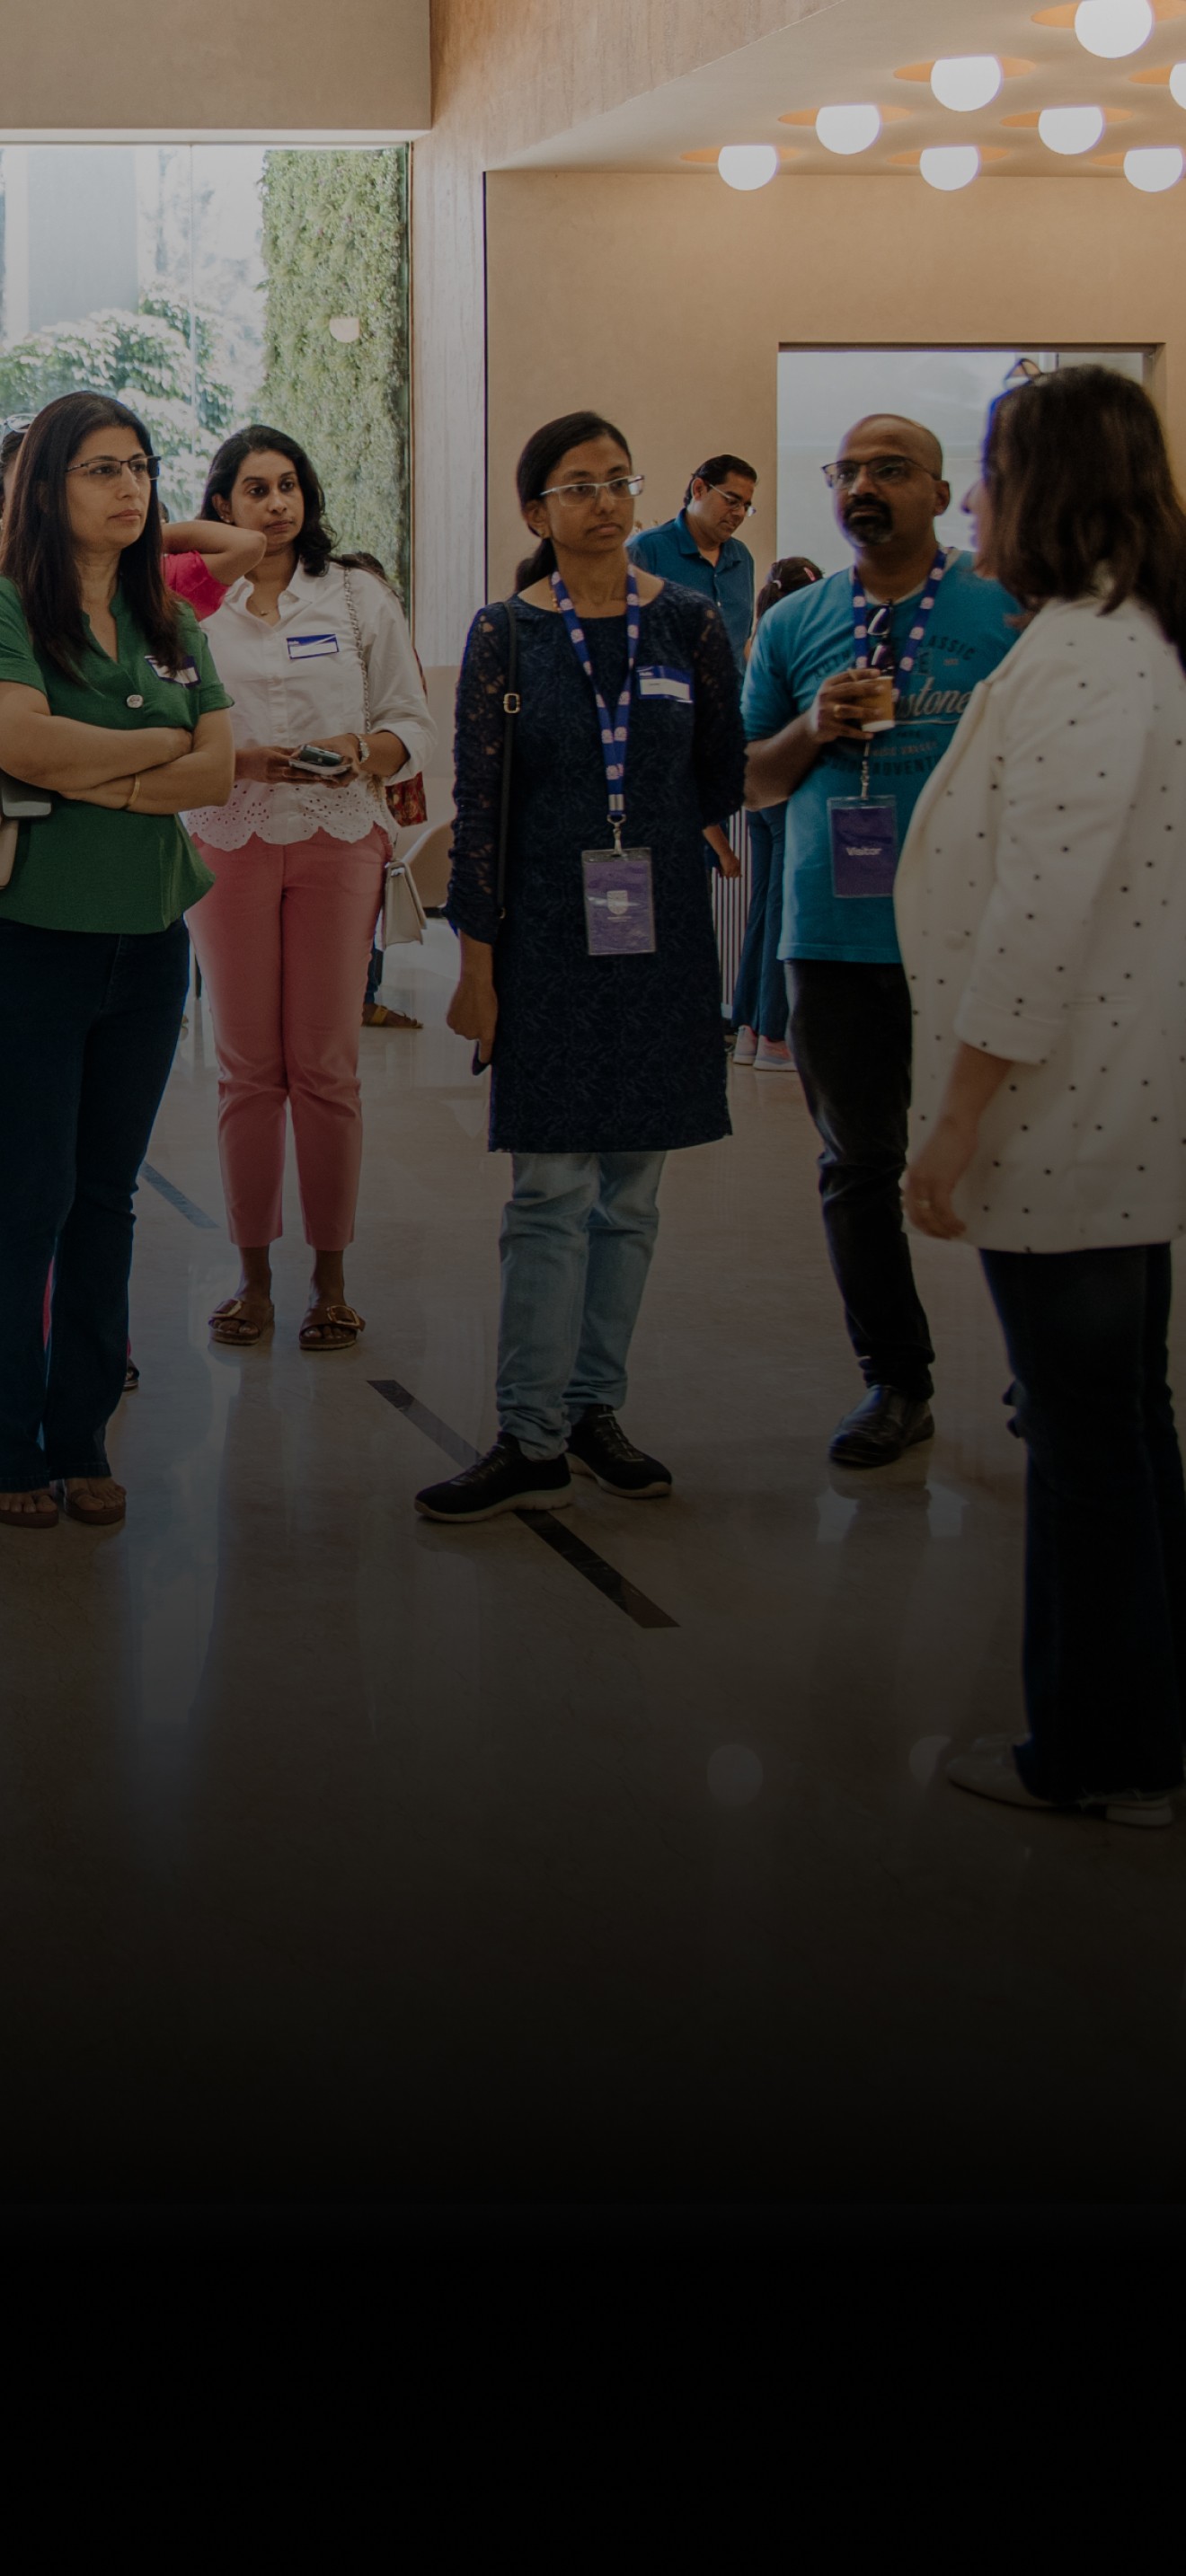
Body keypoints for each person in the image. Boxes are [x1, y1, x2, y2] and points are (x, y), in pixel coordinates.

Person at [898, 365, 1186, 1829]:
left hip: (1060, 1109)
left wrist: (955, 1118)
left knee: (1086, 1443)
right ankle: (1144, 1725)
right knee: (1123, 1421)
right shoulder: (1114, 638)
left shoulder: (1084, 657)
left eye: (990, 473)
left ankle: (1097, 1748)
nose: (968, 502)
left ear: (1053, 488)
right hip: (1105, 1103)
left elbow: (1040, 912)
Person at [415, 409, 745, 1523]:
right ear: (535, 512)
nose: (605, 502)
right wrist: (477, 965)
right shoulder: (506, 634)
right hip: (548, 937)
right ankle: (530, 1432)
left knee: (634, 1192)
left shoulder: (692, 626)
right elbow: (480, 814)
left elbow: (719, 772)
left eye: (619, 481)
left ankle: (598, 1410)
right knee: (550, 1189)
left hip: (659, 939)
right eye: (578, 485)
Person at [743, 412, 1018, 1467]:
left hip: (977, 933)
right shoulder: (795, 623)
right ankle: (895, 1383)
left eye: (891, 469)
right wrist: (814, 728)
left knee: (1006, 1152)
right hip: (836, 934)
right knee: (858, 1166)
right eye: (847, 471)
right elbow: (751, 779)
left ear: (940, 495)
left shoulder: (1005, 613)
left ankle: (1036, 1371)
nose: (864, 486)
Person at [0, 392, 234, 1530]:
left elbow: (221, 768)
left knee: (107, 1199)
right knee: (26, 1199)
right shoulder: (6, 605)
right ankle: (8, 1447)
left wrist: (108, 777)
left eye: (139, 465)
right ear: (47, 489)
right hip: (34, 943)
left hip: (150, 950)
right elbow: (20, 740)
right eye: (100, 469)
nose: (130, 487)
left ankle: (81, 1434)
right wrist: (159, 756)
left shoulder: (168, 621)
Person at [184, 426, 436, 1352]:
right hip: (226, 838)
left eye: (289, 484)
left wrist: (363, 754)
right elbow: (172, 726)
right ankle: (251, 1278)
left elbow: (412, 720)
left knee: (325, 1067)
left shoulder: (358, 594)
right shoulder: (190, 604)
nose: (277, 503)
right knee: (248, 1068)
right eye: (254, 488)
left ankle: (331, 1281)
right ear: (222, 505)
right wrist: (243, 761)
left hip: (340, 837)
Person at [732, 557, 821, 1071]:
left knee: (763, 909)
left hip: (756, 796)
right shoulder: (794, 642)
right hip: (786, 793)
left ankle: (747, 1025)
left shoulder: (756, 640)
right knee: (784, 910)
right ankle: (773, 1034)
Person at [628, 454, 757, 676]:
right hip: (668, 703)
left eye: (746, 506)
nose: (739, 513)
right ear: (699, 489)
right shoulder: (646, 550)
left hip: (730, 702)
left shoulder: (742, 558)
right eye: (731, 501)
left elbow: (741, 641)